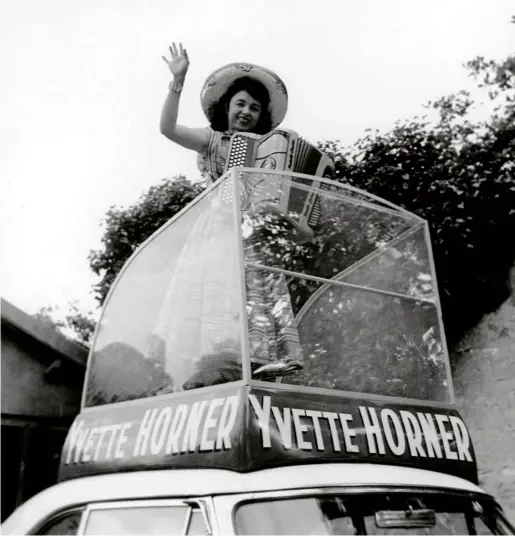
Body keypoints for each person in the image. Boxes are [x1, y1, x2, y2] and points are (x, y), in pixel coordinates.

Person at [150, 43, 303, 390]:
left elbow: (284, 196)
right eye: (240, 104)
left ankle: (262, 362)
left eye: (254, 107)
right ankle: (217, 363)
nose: (247, 111)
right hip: (218, 231)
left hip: (257, 235)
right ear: (226, 107)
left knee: (258, 293)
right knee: (218, 295)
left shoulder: (273, 149)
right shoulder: (213, 139)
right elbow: (167, 128)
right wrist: (178, 80)